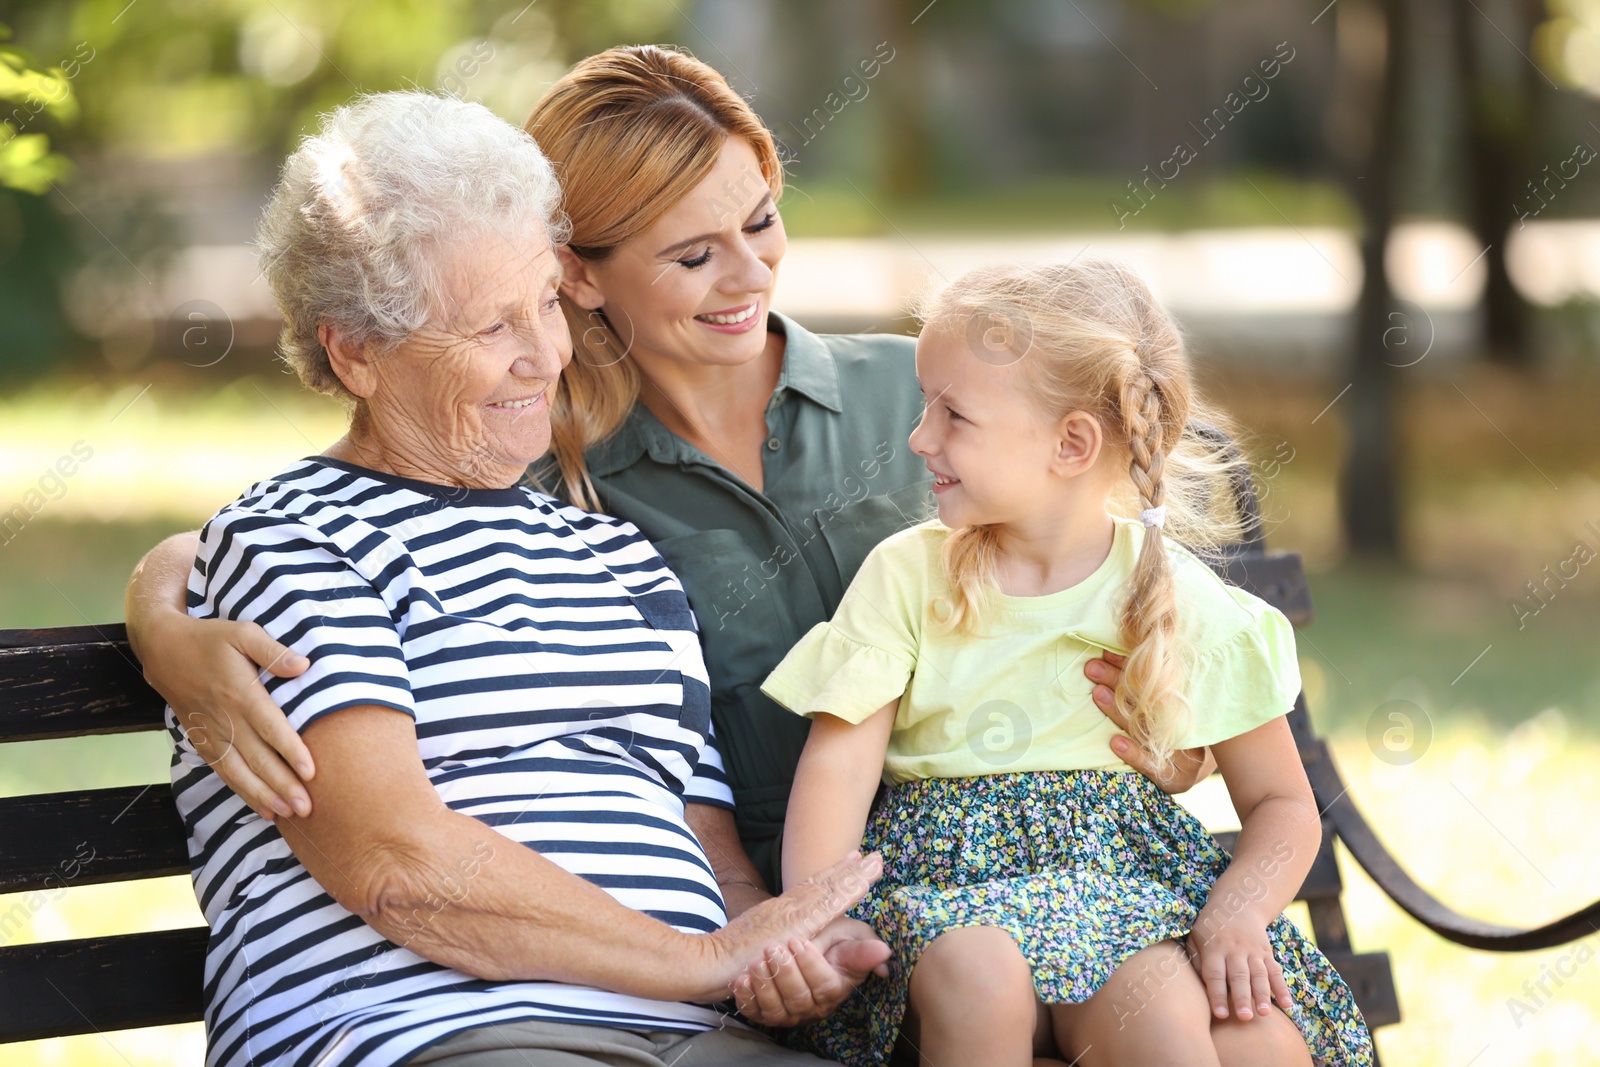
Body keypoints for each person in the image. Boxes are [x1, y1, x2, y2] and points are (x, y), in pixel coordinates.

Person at [124, 46, 1212, 1029]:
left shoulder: (909, 405)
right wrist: (165, 614)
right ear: (578, 275)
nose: (748, 274)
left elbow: (1130, 578)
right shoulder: (559, 486)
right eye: (692, 254)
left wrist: (1177, 729)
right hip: (768, 965)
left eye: (762, 219)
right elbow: (318, 551)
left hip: (992, 891)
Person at [160, 88, 881, 1067]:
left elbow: (711, 861)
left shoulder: (615, 553)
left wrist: (782, 954)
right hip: (429, 1029)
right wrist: (697, 959)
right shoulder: (296, 542)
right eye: (488, 326)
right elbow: (398, 868)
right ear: (357, 352)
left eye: (544, 300)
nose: (543, 354)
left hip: (688, 1033)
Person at [766, 260, 1376, 1066]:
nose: (920, 437)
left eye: (954, 415)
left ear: (1072, 443)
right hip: (947, 902)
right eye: (925, 406)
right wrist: (818, 915)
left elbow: (1283, 804)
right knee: (977, 974)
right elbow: (839, 770)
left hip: (1117, 903)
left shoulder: (1170, 596)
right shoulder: (908, 575)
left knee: (1164, 1016)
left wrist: (1237, 911)